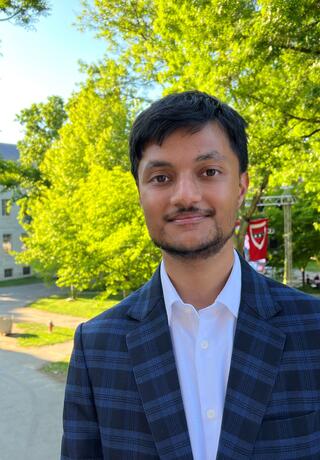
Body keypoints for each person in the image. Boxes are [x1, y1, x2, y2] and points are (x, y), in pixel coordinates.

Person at [61, 91, 320, 460]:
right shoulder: (97, 346)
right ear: (140, 192)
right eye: (162, 177)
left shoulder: (313, 330)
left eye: (209, 171)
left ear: (242, 186)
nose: (184, 195)